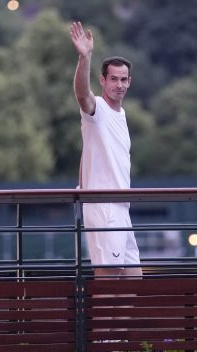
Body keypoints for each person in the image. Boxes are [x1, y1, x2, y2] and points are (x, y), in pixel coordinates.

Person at [69, 21, 141, 278]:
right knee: (109, 283)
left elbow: (88, 151)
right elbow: (81, 94)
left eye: (123, 80)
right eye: (113, 79)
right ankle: (94, 321)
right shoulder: (97, 108)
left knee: (134, 281)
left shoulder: (120, 114)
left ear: (129, 82)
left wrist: (80, 184)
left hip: (122, 208)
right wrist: (84, 56)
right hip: (104, 207)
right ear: (103, 80)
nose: (119, 85)